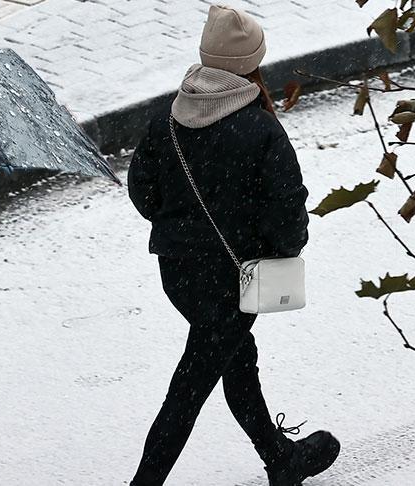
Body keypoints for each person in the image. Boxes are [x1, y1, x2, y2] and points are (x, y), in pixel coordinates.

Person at [127, 5, 340, 486]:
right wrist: (281, 252)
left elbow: (143, 192)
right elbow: (287, 210)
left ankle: (279, 457)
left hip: (178, 274)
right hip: (234, 279)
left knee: (236, 359)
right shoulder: (260, 128)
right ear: (253, 63)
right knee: (189, 389)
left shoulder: (165, 122)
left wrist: (181, 230)